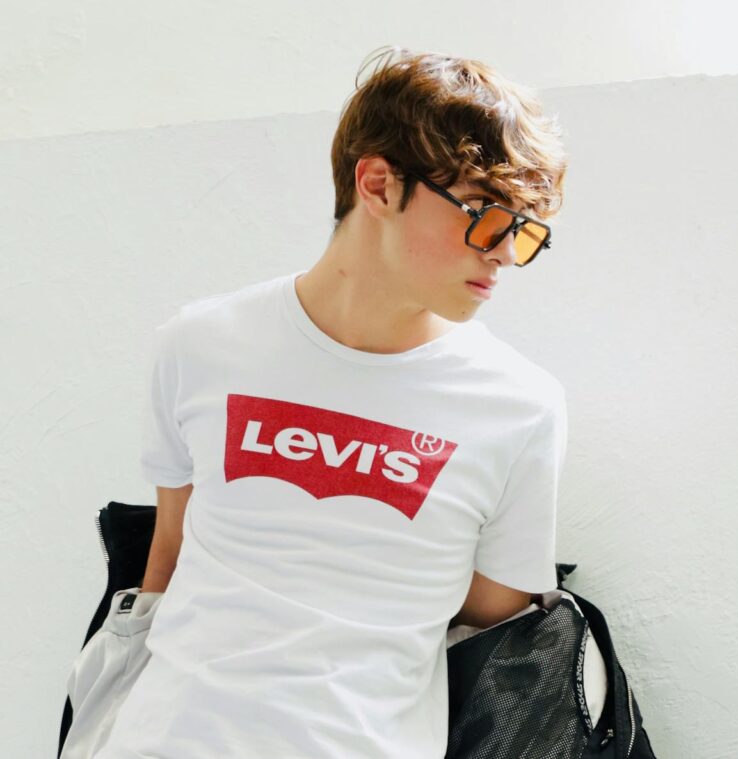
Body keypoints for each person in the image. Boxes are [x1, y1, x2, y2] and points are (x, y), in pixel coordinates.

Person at [94, 45, 570, 758]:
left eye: (523, 228)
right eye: (482, 211)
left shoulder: (518, 405)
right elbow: (168, 561)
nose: (503, 251)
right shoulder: (200, 343)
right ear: (377, 184)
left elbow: (492, 639)